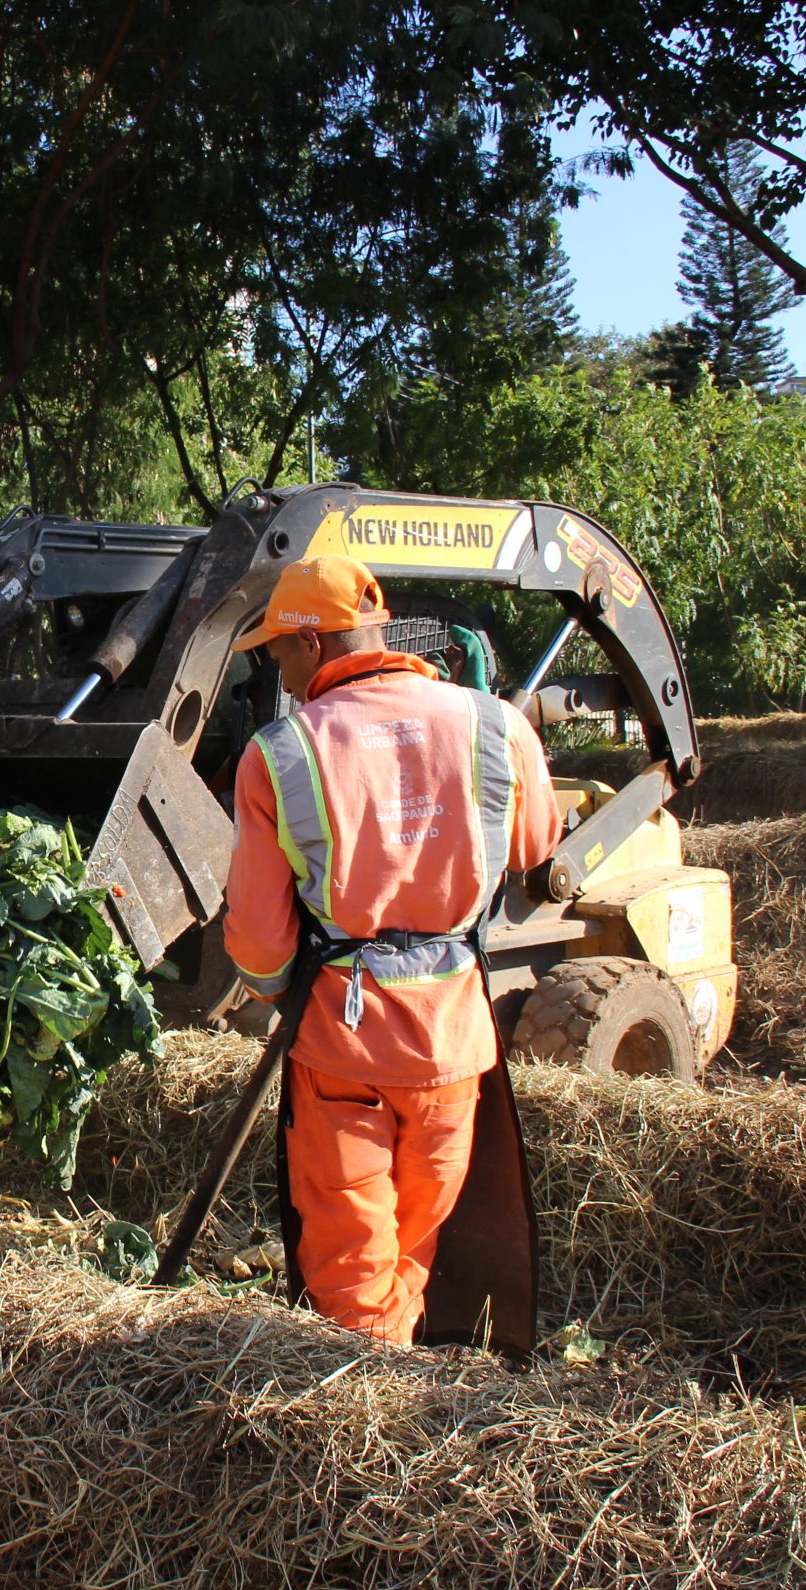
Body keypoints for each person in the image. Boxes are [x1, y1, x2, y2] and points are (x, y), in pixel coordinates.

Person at [222, 555, 562, 1343]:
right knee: (411, 1248)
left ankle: (365, 1426)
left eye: (281, 652)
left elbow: (259, 944)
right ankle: (405, 1395)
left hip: (344, 1045)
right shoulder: (495, 724)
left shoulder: (279, 753)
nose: (282, 669)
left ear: (312, 646)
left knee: (350, 1276)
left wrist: (289, 991)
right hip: (453, 1040)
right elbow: (538, 841)